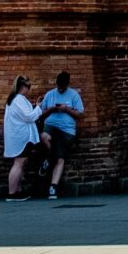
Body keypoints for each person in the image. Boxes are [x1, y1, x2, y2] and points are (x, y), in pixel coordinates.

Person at [38, 70, 84, 199]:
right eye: (58, 86)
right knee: (43, 137)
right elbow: (40, 114)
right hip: (51, 125)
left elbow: (80, 114)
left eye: (62, 87)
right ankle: (48, 157)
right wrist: (52, 109)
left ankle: (53, 187)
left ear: (67, 85)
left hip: (66, 130)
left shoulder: (74, 95)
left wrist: (66, 109)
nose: (60, 89)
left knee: (60, 158)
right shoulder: (50, 94)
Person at [2, 76, 41, 200]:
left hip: (20, 136)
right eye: (28, 87)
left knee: (21, 162)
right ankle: (12, 193)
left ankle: (17, 191)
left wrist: (34, 106)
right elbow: (29, 117)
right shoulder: (18, 99)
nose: (29, 89)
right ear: (22, 87)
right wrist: (39, 107)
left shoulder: (16, 99)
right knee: (19, 163)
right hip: (20, 137)